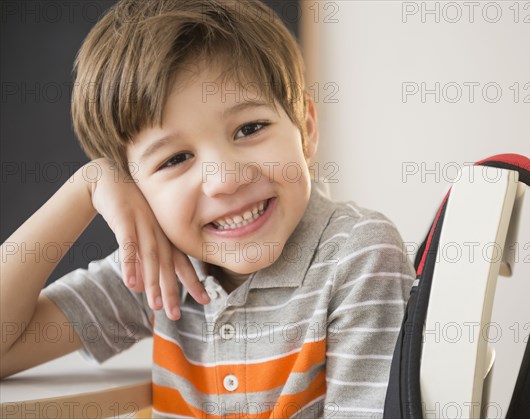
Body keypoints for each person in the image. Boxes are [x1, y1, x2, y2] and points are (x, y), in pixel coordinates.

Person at [0, 0, 416, 417]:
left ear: (305, 129)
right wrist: (86, 186)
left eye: (249, 129)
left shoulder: (359, 256)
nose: (225, 179)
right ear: (137, 190)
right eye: (175, 159)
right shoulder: (159, 272)